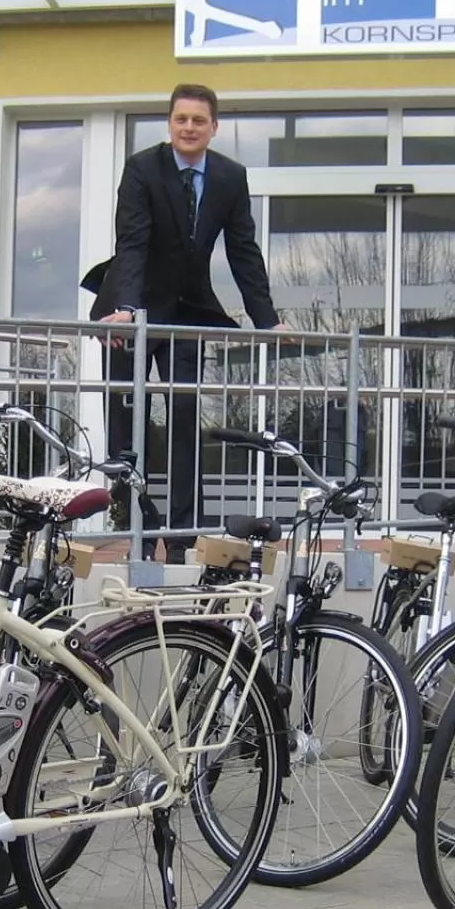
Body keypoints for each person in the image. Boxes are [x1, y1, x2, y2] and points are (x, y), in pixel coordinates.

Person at [85, 83, 287, 563]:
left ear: (213, 128)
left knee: (183, 422)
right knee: (124, 423)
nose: (189, 128)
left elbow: (243, 250)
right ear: (170, 124)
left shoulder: (230, 177)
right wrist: (130, 311)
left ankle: (178, 537)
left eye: (199, 120)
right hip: (128, 309)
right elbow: (131, 242)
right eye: (181, 119)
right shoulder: (142, 168)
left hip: (188, 311)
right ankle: (137, 518)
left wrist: (267, 321)